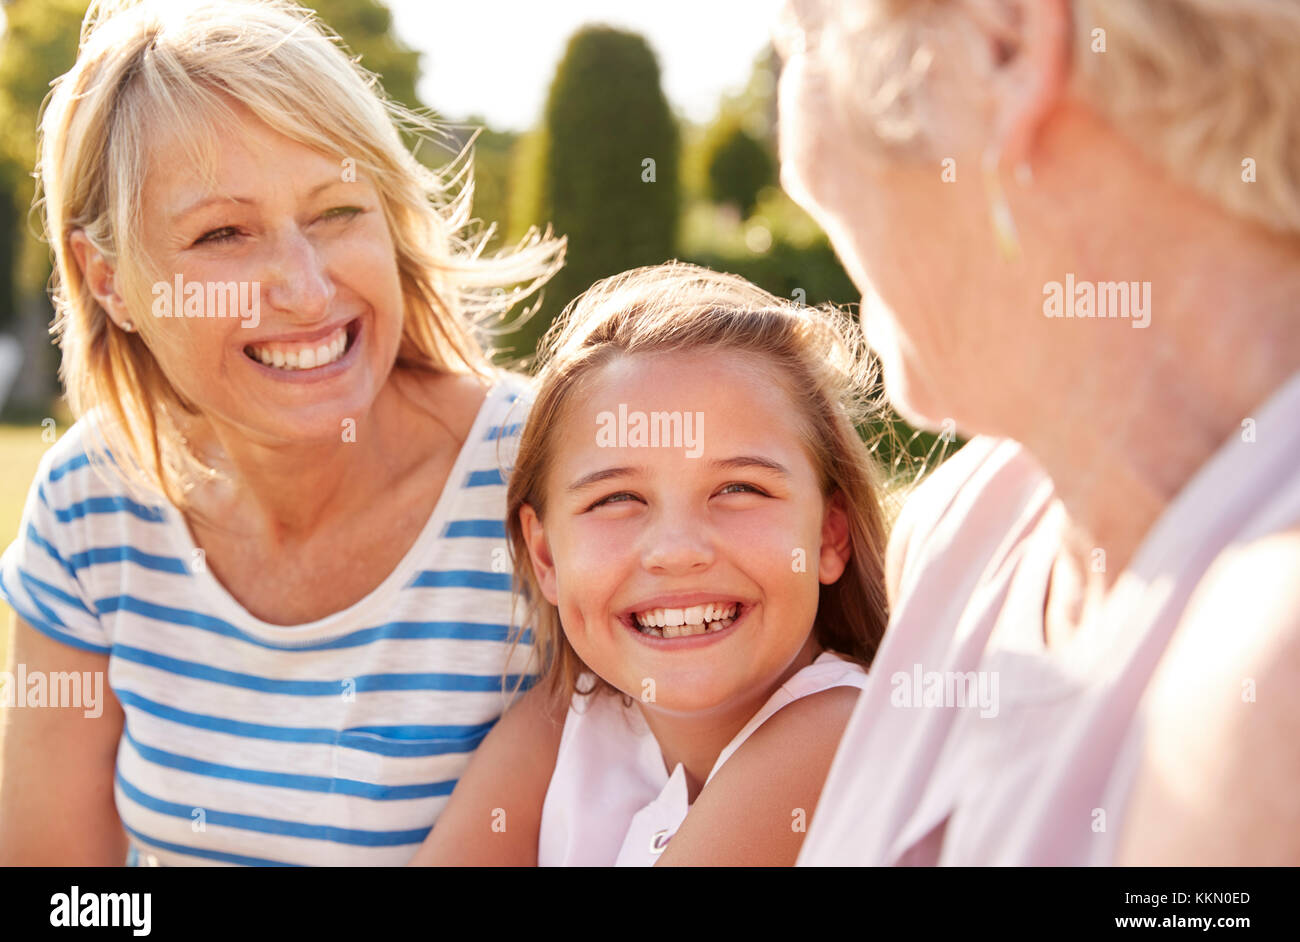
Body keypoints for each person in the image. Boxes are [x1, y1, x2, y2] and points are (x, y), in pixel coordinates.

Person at [0, 0, 563, 865]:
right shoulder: (91, 503)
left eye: (338, 211)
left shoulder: (552, 481)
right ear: (106, 278)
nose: (304, 289)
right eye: (223, 233)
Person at [774, 0, 1300, 864]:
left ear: (1003, 42)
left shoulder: (1276, 676)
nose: (792, 171)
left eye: (798, 38)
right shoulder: (961, 529)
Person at [408, 262, 892, 865]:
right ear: (546, 555)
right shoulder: (557, 727)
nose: (677, 550)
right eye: (616, 499)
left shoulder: (835, 733)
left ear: (829, 535)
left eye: (739, 489)